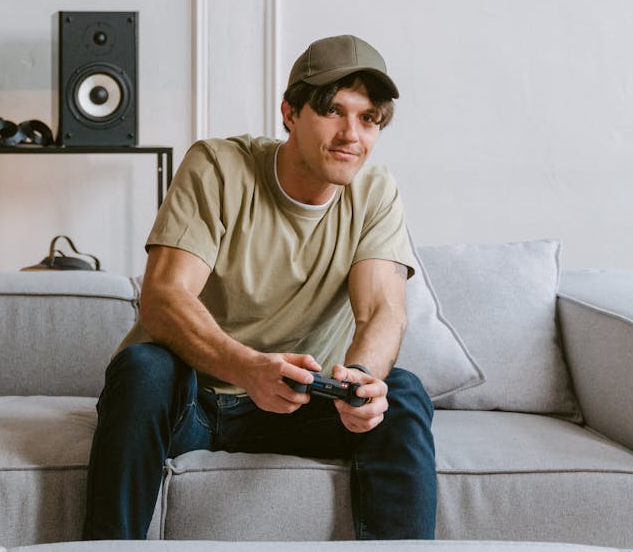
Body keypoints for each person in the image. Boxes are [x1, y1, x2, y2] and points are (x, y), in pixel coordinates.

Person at [82, 34, 436, 541]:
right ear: (289, 112)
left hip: (305, 403)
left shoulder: (375, 192)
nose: (350, 135)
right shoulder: (219, 166)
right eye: (333, 111)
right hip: (196, 400)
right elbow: (164, 298)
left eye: (368, 118)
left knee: (399, 392)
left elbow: (383, 310)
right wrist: (247, 369)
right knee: (144, 367)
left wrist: (360, 383)